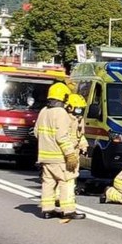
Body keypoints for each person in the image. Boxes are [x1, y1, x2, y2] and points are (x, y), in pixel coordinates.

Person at [35, 82, 85, 220]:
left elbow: (36, 132)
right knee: (67, 181)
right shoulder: (61, 113)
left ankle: (47, 210)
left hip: (45, 156)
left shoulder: (43, 111)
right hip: (60, 157)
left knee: (48, 182)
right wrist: (70, 154)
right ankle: (68, 210)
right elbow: (62, 136)